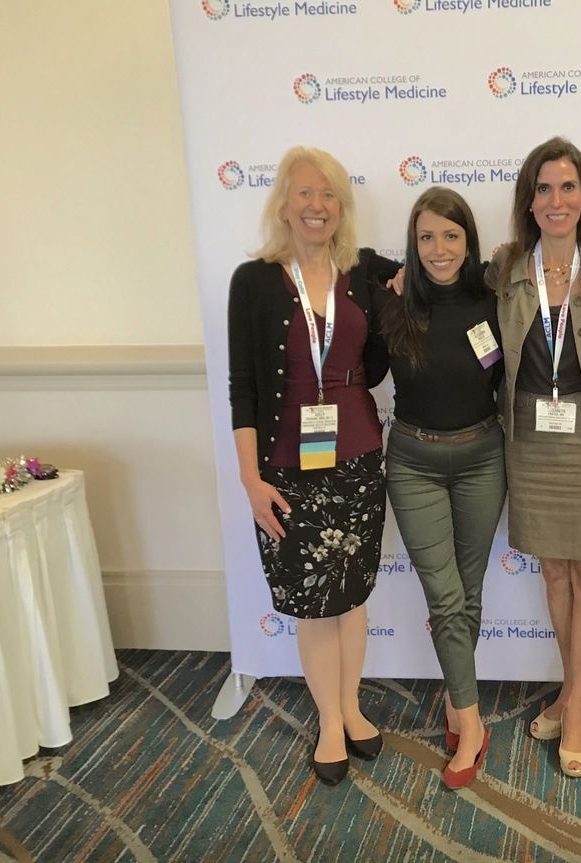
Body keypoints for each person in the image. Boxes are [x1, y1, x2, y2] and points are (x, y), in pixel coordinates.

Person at [227, 146, 400, 787]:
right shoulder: (253, 281)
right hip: (285, 469)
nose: (317, 205)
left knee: (350, 597)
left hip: (357, 458)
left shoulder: (364, 274)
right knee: (310, 601)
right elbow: (242, 385)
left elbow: (384, 353)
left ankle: (352, 707)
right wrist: (250, 479)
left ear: (341, 208)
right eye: (305, 193)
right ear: (283, 203)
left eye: (328, 195)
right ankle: (328, 720)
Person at [488, 136, 581, 778]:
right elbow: (441, 280)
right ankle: (576, 686)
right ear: (529, 199)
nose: (556, 200)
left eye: (568, 187)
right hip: (529, 437)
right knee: (552, 573)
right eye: (544, 188)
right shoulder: (503, 266)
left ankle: (573, 704)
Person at [374, 187, 505, 790]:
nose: (438, 249)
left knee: (468, 592)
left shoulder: (495, 297)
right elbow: (346, 261)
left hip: (483, 457)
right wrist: (387, 272)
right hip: (414, 462)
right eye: (426, 237)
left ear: (469, 241)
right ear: (412, 243)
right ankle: (472, 727)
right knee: (445, 598)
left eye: (451, 236)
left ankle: (458, 702)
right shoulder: (393, 301)